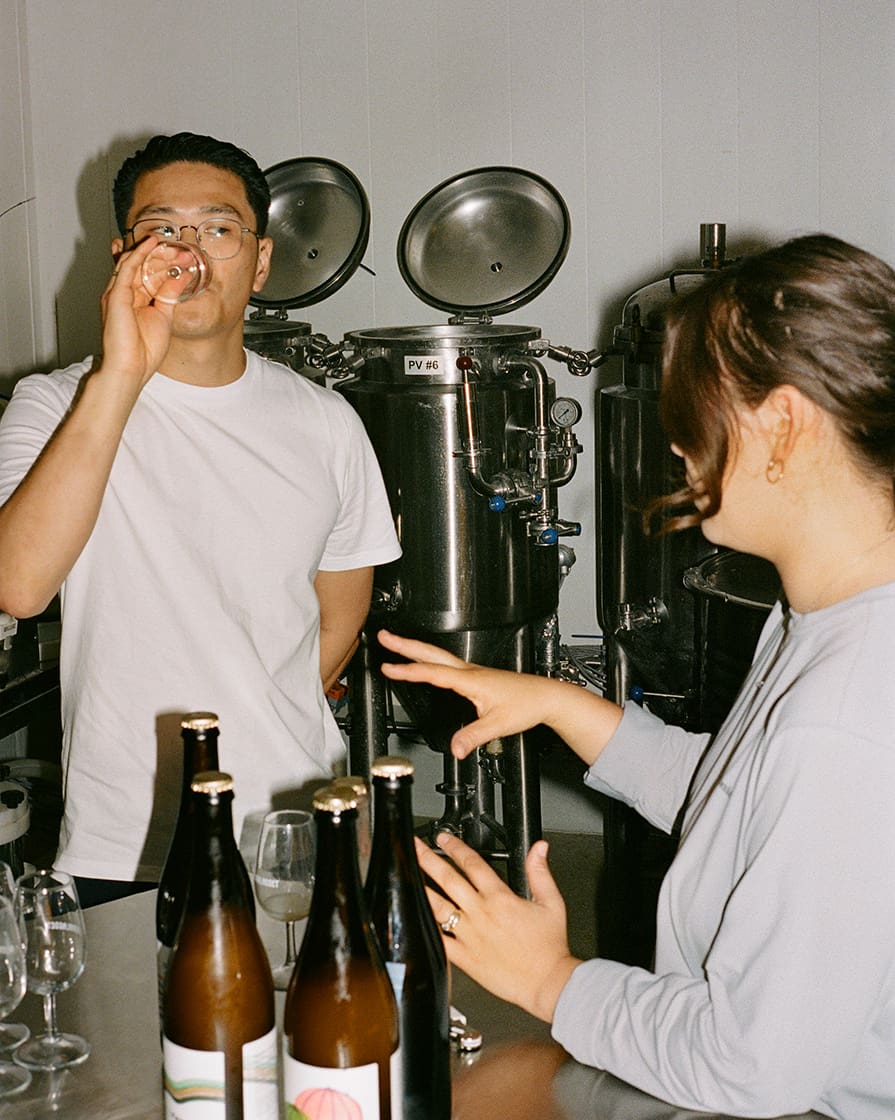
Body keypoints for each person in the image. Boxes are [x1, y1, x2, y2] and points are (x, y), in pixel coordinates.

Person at [379, 233, 895, 1119]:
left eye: (692, 413)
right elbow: (750, 805)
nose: (676, 446)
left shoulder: (844, 712)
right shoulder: (827, 614)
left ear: (781, 424)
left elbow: (751, 1069)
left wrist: (551, 980)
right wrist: (563, 706)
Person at [0, 132, 400, 907]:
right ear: (123, 257)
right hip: (127, 837)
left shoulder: (326, 421)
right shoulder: (52, 406)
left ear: (258, 261)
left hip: (293, 823)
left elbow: (335, 626)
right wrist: (124, 370)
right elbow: (18, 584)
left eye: (217, 229)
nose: (188, 252)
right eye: (161, 231)